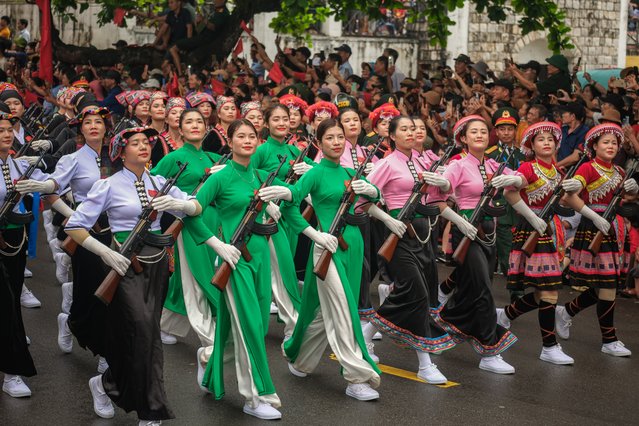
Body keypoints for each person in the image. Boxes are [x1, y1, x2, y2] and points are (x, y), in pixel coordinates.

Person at [65, 127, 197, 424]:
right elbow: (75, 226)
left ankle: (105, 383)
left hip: (157, 262)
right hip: (123, 263)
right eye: (134, 143)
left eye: (146, 143)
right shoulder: (108, 185)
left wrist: (180, 204)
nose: (143, 147)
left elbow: (195, 206)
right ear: (120, 152)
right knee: (140, 329)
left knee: (146, 335)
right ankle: (151, 410)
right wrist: (105, 252)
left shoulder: (160, 182)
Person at [261, 118, 382, 401]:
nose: (337, 142)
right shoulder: (315, 173)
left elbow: (376, 197)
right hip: (326, 248)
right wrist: (313, 234)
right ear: (319, 142)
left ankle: (300, 357)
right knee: (343, 311)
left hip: (353, 247)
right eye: (330, 138)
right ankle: (356, 376)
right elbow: (292, 203)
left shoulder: (351, 172)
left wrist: (372, 190)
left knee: (322, 310)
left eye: (341, 137)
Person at [184, 119, 283, 420]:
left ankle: (209, 362)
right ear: (229, 142)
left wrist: (279, 203)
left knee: (254, 324)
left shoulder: (263, 176)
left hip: (261, 257)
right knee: (251, 325)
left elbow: (294, 197)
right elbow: (192, 213)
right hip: (234, 260)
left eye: (252, 136)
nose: (248, 141)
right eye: (240, 136)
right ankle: (255, 395)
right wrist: (217, 244)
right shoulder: (221, 177)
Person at [16, 108, 114, 373]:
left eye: (99, 122)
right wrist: (76, 215)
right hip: (86, 229)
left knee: (116, 291)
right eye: (88, 123)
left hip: (115, 229)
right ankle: (78, 326)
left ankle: (107, 345)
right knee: (92, 288)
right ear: (80, 130)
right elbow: (53, 189)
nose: (94, 126)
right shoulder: (73, 158)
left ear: (106, 127)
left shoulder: (116, 155)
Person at [362, 116, 455, 383]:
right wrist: (388, 218)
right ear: (391, 136)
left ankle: (366, 336)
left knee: (417, 295)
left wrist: (443, 182)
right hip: (399, 236)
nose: (410, 132)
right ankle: (425, 363)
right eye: (403, 129)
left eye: (413, 128)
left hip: (423, 237)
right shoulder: (387, 163)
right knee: (416, 293)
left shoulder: (422, 161)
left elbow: (444, 195)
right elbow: (362, 198)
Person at [427, 115, 519, 374]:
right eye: (473, 132)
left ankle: (441, 324)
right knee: (482, 291)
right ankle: (490, 351)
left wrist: (513, 180)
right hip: (467, 231)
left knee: (470, 289)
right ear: (463, 139)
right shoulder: (457, 166)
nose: (479, 135)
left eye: (483, 131)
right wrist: (460, 221)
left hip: (490, 231)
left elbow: (520, 179)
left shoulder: (494, 165)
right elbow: (437, 199)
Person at [152, 109, 226, 388]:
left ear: (207, 128)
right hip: (190, 226)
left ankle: (166, 324)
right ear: (179, 130)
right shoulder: (173, 158)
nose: (195, 126)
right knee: (199, 281)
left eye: (200, 122)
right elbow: (152, 186)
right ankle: (211, 342)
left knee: (194, 280)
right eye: (189, 122)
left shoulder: (212, 158)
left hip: (217, 226)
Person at [496, 121, 575, 365]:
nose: (547, 143)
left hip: (552, 232)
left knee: (545, 292)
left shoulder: (558, 172)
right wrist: (532, 217)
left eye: (550, 139)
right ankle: (549, 346)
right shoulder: (528, 167)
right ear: (532, 144)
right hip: (532, 231)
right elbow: (511, 191)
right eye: (541, 139)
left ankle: (506, 314)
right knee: (549, 290)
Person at [555, 123, 635, 357]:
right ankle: (609, 339)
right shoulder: (588, 168)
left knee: (606, 283)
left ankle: (567, 311)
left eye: (614, 143)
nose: (611, 146)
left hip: (614, 228)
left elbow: (625, 198)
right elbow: (572, 194)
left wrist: (633, 187)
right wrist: (593, 215)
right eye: (606, 142)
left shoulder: (620, 171)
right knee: (607, 284)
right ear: (594, 146)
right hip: (594, 227)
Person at [252, 104, 313, 339]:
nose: (281, 123)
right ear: (266, 124)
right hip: (266, 216)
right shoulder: (261, 151)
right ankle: (293, 325)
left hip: (290, 216)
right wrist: (267, 204)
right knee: (284, 270)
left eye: (285, 119)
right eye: (275, 119)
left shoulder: (293, 151)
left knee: (277, 270)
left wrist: (308, 169)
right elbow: (248, 179)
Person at [0, 111, 46, 398]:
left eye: (8, 129)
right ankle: (13, 371)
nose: (6, 133)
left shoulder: (18, 165)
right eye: (0, 129)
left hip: (14, 239)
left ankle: (10, 361)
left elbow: (52, 185)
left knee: (12, 299)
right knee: (4, 303)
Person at [485, 108, 526, 298]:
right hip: (499, 208)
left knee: (519, 249)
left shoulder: (522, 154)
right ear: (496, 131)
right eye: (502, 129)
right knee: (505, 252)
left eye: (510, 129)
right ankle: (514, 290)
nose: (507, 133)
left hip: (519, 209)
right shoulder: (490, 154)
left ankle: (516, 285)